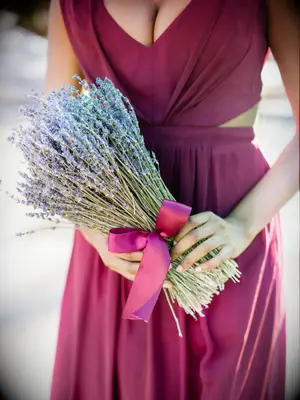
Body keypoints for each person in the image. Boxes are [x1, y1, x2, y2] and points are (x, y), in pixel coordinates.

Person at [45, 0, 299, 399]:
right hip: (116, 250)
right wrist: (98, 237)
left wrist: (241, 226)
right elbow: (56, 134)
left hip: (226, 243)